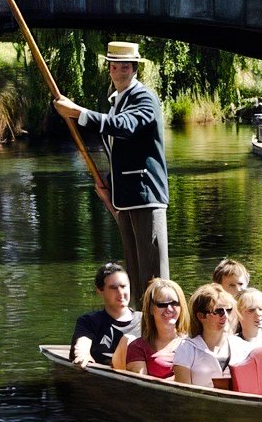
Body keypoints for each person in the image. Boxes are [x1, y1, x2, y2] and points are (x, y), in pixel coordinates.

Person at [52, 42, 166, 296]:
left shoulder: (144, 98)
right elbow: (119, 149)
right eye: (113, 67)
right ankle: (141, 328)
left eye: (124, 67)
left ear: (134, 69)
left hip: (146, 196)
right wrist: (108, 188)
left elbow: (124, 126)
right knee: (136, 273)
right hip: (125, 197)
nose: (118, 72)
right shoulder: (117, 101)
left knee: (153, 276)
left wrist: (78, 113)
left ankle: (161, 331)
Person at [164, 283, 254, 386]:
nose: (225, 316)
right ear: (201, 316)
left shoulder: (245, 348)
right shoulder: (186, 349)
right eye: (218, 311)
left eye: (228, 310)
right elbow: (184, 396)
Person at [71, 263, 137, 369]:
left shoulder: (145, 320)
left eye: (124, 286)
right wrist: (82, 355)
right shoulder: (89, 321)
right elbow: (83, 343)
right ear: (100, 290)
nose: (121, 293)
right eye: (113, 288)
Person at [118, 278, 188, 376]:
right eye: (161, 304)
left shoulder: (193, 343)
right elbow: (142, 387)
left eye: (174, 303)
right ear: (151, 309)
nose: (169, 309)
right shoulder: (137, 348)